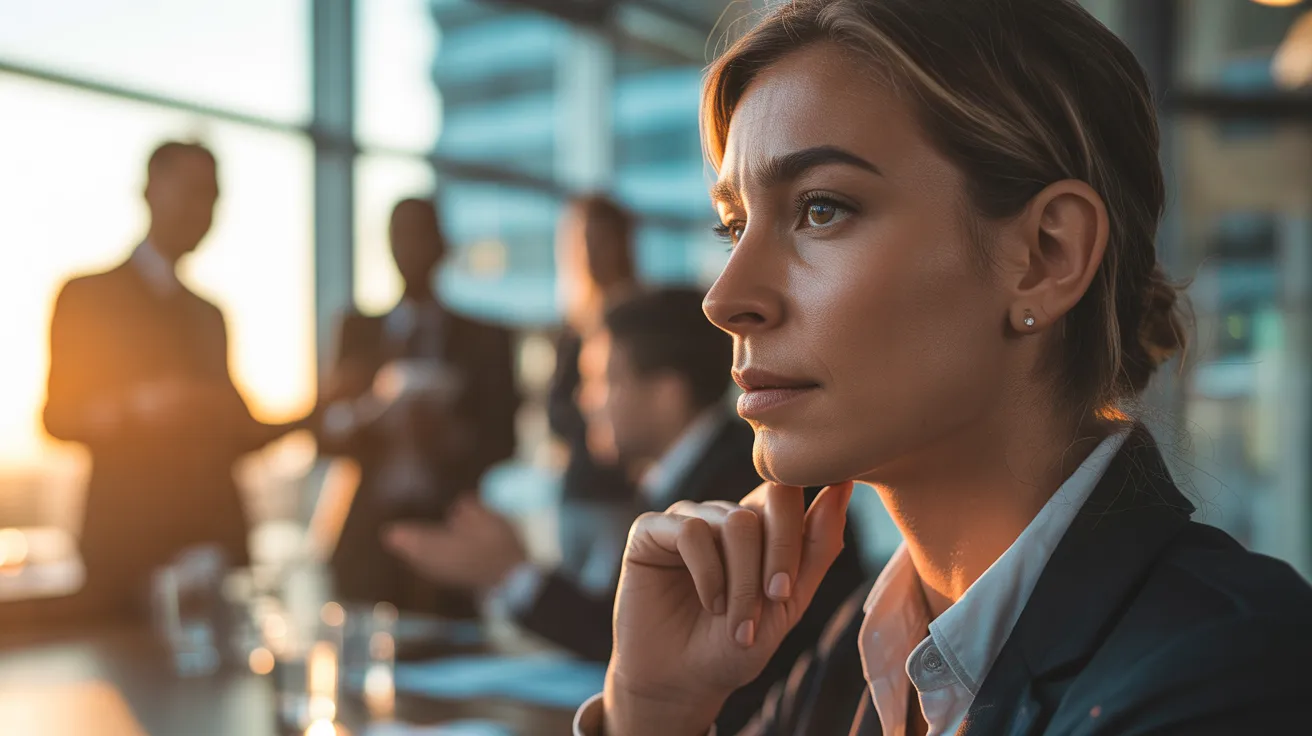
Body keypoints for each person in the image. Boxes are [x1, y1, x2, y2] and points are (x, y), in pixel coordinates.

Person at [575, 2, 1312, 735]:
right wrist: (654, 714)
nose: (725, 299)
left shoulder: (1231, 672)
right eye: (735, 226)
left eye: (820, 209)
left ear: (1046, 257)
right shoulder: (864, 656)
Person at [385, 288, 867, 735]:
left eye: (602, 379)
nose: (582, 401)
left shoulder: (739, 493)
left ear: (664, 393)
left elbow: (636, 641)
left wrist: (510, 572)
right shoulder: (688, 475)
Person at [43, 141, 312, 621]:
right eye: (191, 191)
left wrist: (319, 411)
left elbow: (239, 432)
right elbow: (57, 417)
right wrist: (137, 408)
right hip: (125, 548)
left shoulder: (209, 315)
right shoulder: (87, 296)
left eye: (212, 195)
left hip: (212, 544)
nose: (202, 208)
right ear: (150, 191)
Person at [318, 197, 519, 615]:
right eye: (400, 235)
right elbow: (324, 436)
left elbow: (504, 440)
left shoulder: (486, 339)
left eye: (421, 234)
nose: (410, 247)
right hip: (367, 536)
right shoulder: (357, 331)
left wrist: (447, 438)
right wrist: (370, 415)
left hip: (449, 531)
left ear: (442, 244)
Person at [548, 195, 641, 576]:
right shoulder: (573, 326)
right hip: (577, 494)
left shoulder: (639, 320)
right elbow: (554, 412)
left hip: (621, 496)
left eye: (600, 240)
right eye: (583, 241)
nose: (591, 252)